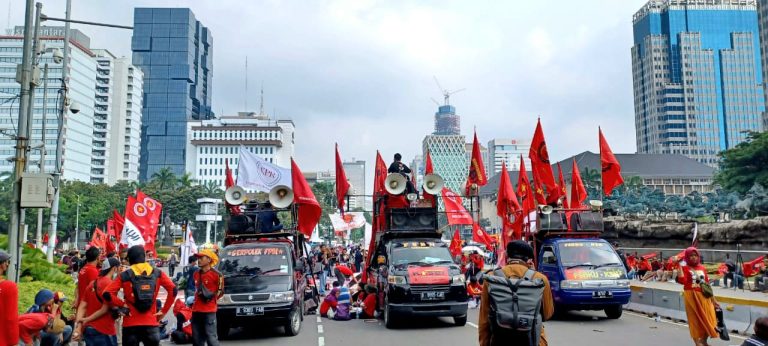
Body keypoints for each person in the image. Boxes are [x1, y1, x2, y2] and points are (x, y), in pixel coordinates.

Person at [479, 240, 554, 346]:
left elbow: (484, 319)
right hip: (532, 341)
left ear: (506, 256)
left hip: (499, 341)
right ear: (529, 260)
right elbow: (547, 314)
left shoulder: (491, 278)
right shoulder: (540, 279)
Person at [103, 245, 178, 346]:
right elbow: (173, 290)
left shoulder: (125, 275)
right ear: (145, 257)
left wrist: (122, 304)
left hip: (130, 324)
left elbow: (107, 293)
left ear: (129, 259)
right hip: (151, 324)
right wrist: (163, 311)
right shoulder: (157, 273)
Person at [677, 247, 719, 346]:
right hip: (691, 297)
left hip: (704, 297)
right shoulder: (684, 268)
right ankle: (697, 343)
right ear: (687, 257)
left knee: (711, 319)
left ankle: (704, 341)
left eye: (695, 255)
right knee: (694, 321)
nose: (693, 257)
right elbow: (682, 281)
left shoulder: (702, 268)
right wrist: (679, 267)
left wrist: (714, 300)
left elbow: (707, 285)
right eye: (691, 256)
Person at [74, 257, 121, 346]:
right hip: (105, 330)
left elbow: (82, 306)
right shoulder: (111, 285)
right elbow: (105, 309)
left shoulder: (92, 283)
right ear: (114, 268)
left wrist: (79, 326)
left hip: (89, 330)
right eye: (119, 268)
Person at [191, 249, 224, 346]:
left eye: (201, 257)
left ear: (209, 260)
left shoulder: (218, 275)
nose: (199, 260)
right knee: (196, 340)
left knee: (211, 339)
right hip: (196, 310)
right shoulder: (196, 274)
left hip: (209, 311)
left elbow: (220, 292)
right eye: (198, 258)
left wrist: (210, 300)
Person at [0, 250, 19, 346]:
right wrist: (14, 341)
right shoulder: (9, 286)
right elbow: (11, 318)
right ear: (2, 265)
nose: (8, 265)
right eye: (7, 262)